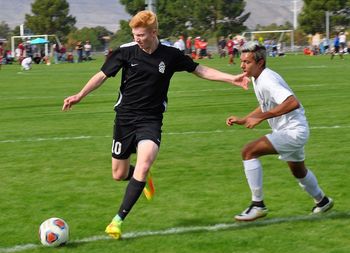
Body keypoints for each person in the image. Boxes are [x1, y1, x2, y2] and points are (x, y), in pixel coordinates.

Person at [62, 10, 249, 239]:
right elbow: (101, 75)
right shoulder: (125, 52)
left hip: (150, 120)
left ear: (153, 32)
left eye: (140, 34)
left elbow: (200, 70)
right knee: (119, 174)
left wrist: (232, 78)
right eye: (134, 34)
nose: (137, 38)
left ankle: (117, 221)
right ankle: (142, 180)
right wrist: (80, 95)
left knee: (144, 162)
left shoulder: (170, 55)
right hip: (125, 119)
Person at [226, 41, 333, 222]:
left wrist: (262, 117)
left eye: (247, 62)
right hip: (292, 130)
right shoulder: (257, 78)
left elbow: (292, 102)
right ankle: (322, 201)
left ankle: (258, 205)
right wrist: (245, 119)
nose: (242, 65)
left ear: (260, 63)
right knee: (299, 171)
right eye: (242, 61)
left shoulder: (267, 79)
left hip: (293, 132)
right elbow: (266, 105)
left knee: (248, 151)